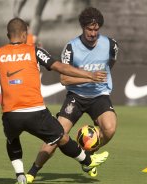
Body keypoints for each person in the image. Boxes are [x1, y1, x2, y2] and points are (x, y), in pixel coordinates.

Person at [0, 17, 109, 184]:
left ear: (8, 35)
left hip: (10, 114)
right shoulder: (34, 51)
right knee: (61, 137)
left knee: (12, 139)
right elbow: (59, 67)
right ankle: (87, 161)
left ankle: (20, 176)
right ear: (25, 35)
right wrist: (89, 75)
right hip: (35, 112)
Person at [26, 7, 119, 183]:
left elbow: (111, 63)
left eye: (96, 29)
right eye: (89, 29)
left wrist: (99, 82)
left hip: (100, 95)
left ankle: (88, 157)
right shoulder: (71, 48)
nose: (93, 33)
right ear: (82, 28)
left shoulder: (111, 45)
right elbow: (64, 79)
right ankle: (32, 172)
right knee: (56, 134)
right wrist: (90, 79)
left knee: (110, 128)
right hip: (76, 96)